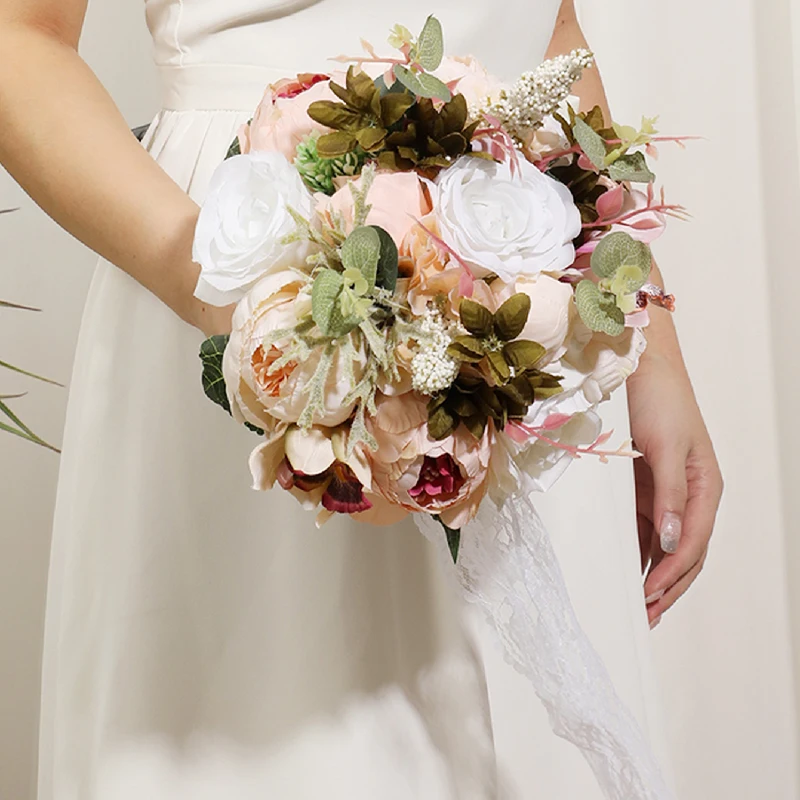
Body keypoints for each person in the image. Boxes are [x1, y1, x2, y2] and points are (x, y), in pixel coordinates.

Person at [0, 0, 723, 797]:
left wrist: (646, 340)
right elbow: (17, 38)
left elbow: (552, 26)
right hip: (263, 260)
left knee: (532, 743)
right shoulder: (246, 291)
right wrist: (233, 299)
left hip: (528, 284)